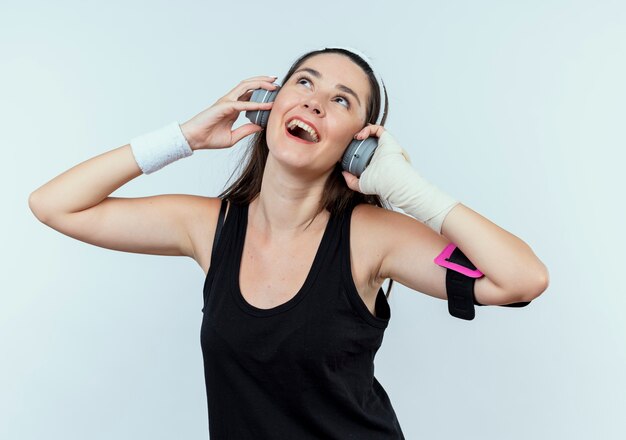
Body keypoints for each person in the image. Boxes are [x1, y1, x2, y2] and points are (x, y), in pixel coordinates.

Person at [29, 47, 549, 439]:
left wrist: (408, 190)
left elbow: (520, 279)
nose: (315, 102)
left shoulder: (371, 238)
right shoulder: (208, 226)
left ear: (357, 144)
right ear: (267, 107)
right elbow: (56, 204)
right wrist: (185, 136)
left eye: (340, 101)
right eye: (305, 82)